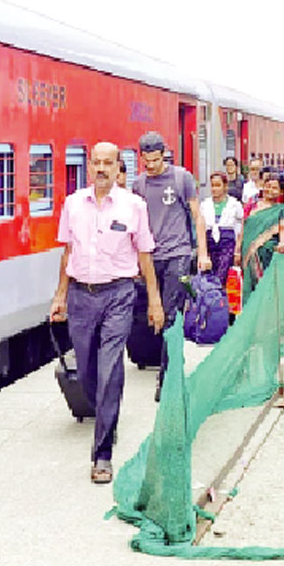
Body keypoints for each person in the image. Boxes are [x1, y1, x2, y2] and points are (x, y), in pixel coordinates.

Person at [49, 142, 165, 484]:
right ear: (90, 166)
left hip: (118, 293)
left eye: (108, 163)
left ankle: (102, 455)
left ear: (118, 167)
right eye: (96, 162)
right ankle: (106, 418)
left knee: (111, 367)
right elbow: (67, 253)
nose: (101, 168)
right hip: (81, 297)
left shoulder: (134, 206)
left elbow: (145, 257)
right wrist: (60, 296)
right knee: (86, 372)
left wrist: (155, 302)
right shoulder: (72, 204)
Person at [129, 131, 209, 402]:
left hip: (178, 254)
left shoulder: (181, 178)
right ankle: (164, 362)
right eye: (145, 161)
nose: (150, 165)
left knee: (171, 316)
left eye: (154, 160)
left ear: (164, 154)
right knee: (154, 313)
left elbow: (197, 216)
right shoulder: (138, 184)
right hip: (151, 256)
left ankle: (167, 379)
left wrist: (202, 253)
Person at [241, 171, 284, 297]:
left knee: (265, 287)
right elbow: (242, 228)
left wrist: (282, 243)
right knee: (247, 284)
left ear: (281, 192)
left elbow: (283, 227)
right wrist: (237, 250)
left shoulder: (282, 209)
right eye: (268, 186)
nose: (270, 190)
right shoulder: (252, 206)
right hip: (247, 249)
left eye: (274, 188)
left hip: (266, 253)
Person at [200, 172, 243, 287]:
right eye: (212, 185)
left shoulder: (234, 204)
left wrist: (237, 250)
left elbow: (240, 227)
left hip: (227, 241)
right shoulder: (205, 204)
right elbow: (201, 227)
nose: (214, 189)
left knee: (222, 274)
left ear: (225, 186)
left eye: (218, 185)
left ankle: (219, 296)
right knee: (209, 274)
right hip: (210, 240)